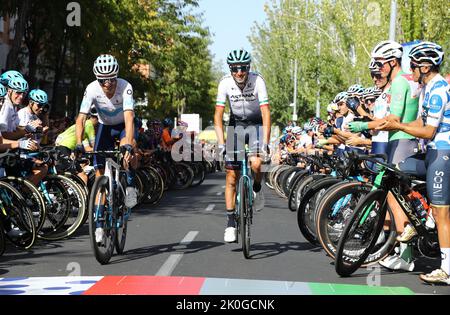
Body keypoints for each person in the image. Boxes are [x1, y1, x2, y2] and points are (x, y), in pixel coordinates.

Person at [377, 42, 450, 284]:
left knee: (442, 214)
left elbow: (428, 131)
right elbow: (420, 121)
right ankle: (417, 220)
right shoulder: (427, 88)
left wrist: (398, 126)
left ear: (426, 66)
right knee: (396, 171)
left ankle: (447, 269)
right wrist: (394, 123)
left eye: (414, 66)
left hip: (442, 153)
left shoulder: (439, 89)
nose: (411, 70)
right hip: (431, 152)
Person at [75, 54, 138, 243]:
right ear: (97, 78)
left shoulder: (125, 87)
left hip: (122, 126)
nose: (108, 84)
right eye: (103, 80)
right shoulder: (92, 89)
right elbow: (81, 118)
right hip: (105, 127)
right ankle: (99, 223)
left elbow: (129, 117)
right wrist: (79, 143)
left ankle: (131, 183)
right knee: (100, 176)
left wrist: (128, 143)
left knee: (129, 148)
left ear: (116, 76)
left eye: (111, 79)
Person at [214, 48, 271, 243]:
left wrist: (265, 143)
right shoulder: (225, 83)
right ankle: (230, 222)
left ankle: (256, 187)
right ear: (230, 69)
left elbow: (266, 114)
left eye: (243, 68)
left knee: (256, 163)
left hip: (255, 124)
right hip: (235, 125)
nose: (239, 72)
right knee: (231, 176)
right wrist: (221, 143)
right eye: (235, 69)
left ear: (248, 68)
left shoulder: (258, 81)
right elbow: (218, 116)